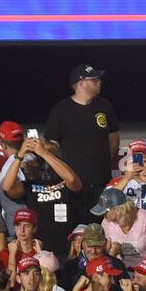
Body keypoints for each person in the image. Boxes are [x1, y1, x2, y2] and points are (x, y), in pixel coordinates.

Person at [44, 63, 121, 220]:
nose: (99, 82)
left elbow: (113, 137)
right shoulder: (61, 111)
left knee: (102, 229)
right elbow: (50, 145)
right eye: (94, 80)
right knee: (77, 229)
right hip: (74, 186)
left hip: (102, 184)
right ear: (82, 83)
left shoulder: (104, 106)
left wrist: (104, 159)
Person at [1, 136, 84, 252]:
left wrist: (45, 153)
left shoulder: (66, 182)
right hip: (38, 249)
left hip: (65, 248)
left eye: (51, 155)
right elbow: (7, 187)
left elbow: (73, 180)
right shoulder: (29, 185)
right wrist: (20, 155)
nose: (45, 162)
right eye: (40, 156)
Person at [95, 187, 146, 263]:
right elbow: (102, 252)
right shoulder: (106, 222)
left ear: (117, 209)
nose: (103, 215)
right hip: (119, 270)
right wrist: (110, 253)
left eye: (105, 212)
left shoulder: (145, 218)